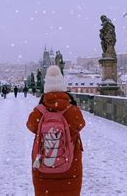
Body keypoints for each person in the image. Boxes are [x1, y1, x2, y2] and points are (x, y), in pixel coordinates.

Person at [26, 65, 85, 196]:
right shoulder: (72, 110)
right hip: (70, 167)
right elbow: (81, 124)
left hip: (43, 168)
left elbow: (30, 125)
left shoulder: (39, 111)